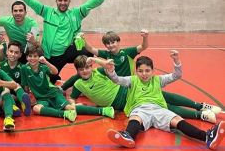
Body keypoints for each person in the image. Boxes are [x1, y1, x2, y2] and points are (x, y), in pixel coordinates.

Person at [105, 51, 225, 150]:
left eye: (147, 71)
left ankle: (207, 137)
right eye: (140, 71)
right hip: (140, 109)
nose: (144, 74)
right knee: (135, 118)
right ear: (136, 71)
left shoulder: (158, 80)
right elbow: (117, 80)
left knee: (178, 121)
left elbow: (176, 75)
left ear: (153, 71)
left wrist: (177, 61)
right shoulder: (132, 80)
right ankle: (128, 136)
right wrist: (111, 71)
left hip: (159, 109)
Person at [63, 55, 219, 124]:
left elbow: (109, 65)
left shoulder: (99, 71)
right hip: (124, 104)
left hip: (126, 92)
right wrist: (72, 102)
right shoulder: (78, 84)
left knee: (164, 97)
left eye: (87, 67)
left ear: (91, 67)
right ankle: (200, 114)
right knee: (162, 106)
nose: (85, 71)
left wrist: (94, 60)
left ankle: (200, 106)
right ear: (77, 70)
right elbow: (72, 97)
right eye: (81, 69)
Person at [13, 0, 109, 82]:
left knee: (87, 52)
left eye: (65, 0)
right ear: (56, 1)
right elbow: (31, 2)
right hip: (48, 55)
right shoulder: (47, 12)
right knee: (50, 80)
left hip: (66, 52)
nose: (62, 3)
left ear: (69, 1)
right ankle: (54, 77)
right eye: (60, 0)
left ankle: (83, 79)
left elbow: (90, 4)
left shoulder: (76, 14)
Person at [21, 46, 114, 121]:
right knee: (36, 109)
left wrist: (45, 61)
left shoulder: (43, 67)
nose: (32, 58)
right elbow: (25, 85)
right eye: (30, 56)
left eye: (35, 56)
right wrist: (29, 96)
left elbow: (55, 72)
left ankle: (104, 110)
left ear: (39, 57)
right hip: (41, 98)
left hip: (54, 93)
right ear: (26, 57)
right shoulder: (24, 69)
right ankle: (64, 114)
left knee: (71, 107)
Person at [0, 41, 32, 116]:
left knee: (16, 85)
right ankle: (14, 107)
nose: (13, 54)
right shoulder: (0, 66)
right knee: (6, 89)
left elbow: (26, 87)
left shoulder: (22, 67)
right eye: (11, 51)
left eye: (16, 52)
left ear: (20, 55)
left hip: (17, 94)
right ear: (7, 52)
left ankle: (21, 103)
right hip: (4, 94)